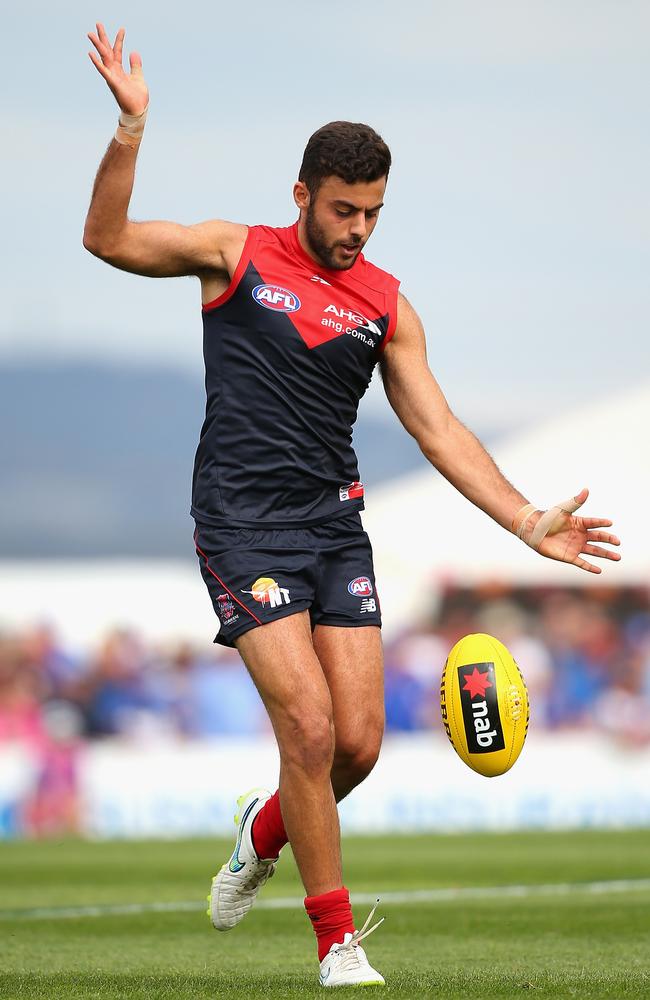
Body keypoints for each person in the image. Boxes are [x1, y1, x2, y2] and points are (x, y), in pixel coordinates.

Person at [84, 24, 621, 988]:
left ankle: (263, 828)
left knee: (360, 745)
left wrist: (524, 519)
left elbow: (441, 429)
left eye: (373, 212)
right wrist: (129, 129)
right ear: (301, 195)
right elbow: (108, 239)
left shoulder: (384, 303)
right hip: (241, 523)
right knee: (311, 731)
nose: (358, 230)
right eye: (343, 210)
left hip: (333, 527)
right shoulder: (233, 255)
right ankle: (337, 940)